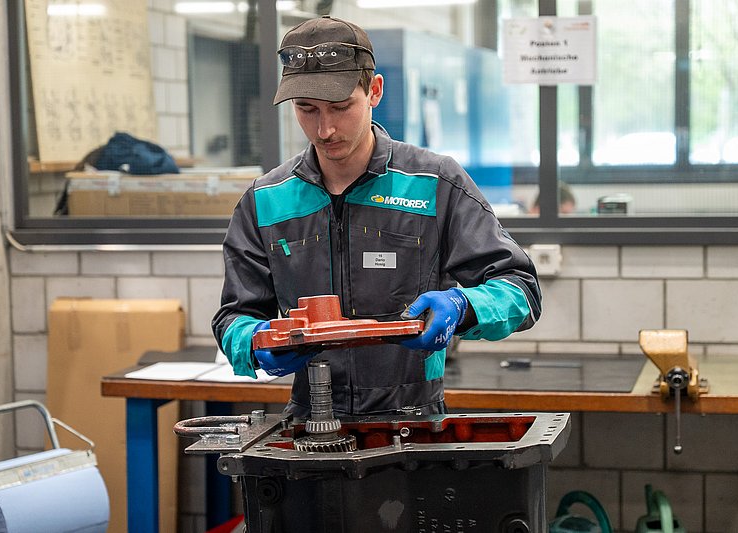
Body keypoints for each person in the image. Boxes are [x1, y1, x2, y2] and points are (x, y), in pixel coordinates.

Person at [212, 16, 542, 419]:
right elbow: (233, 317)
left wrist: (462, 305)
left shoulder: (434, 184)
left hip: (414, 421)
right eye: (306, 109)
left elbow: (521, 290)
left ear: (375, 91)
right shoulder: (266, 200)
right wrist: (256, 340)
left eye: (340, 107)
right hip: (310, 422)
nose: (325, 129)